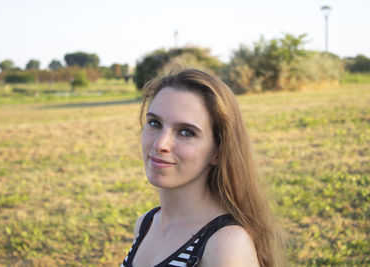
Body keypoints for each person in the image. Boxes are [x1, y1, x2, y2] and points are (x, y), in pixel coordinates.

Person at [121, 68, 284, 267]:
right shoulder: (145, 224)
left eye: (186, 132)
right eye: (154, 123)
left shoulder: (226, 245)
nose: (160, 144)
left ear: (217, 151)